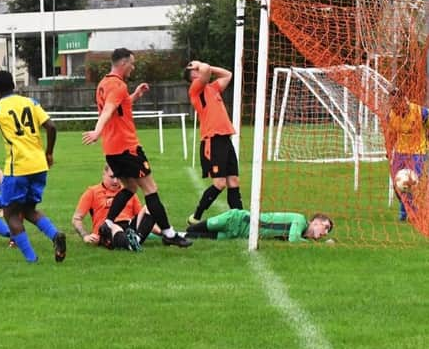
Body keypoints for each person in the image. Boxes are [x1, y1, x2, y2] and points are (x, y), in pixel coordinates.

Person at [82, 47, 191, 248]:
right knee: (150, 189)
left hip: (112, 150)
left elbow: (118, 108)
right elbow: (108, 110)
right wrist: (97, 131)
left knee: (130, 187)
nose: (133, 67)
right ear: (123, 64)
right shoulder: (117, 85)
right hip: (127, 148)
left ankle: (107, 222)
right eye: (132, 63)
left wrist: (135, 95)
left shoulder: (104, 84)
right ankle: (169, 233)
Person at [0, 70, 66, 263]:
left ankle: (31, 259)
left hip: (17, 168)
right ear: (13, 84)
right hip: (39, 165)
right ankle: (55, 235)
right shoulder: (31, 102)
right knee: (28, 210)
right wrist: (49, 152)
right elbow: (51, 127)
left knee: (10, 213)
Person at [183, 60, 243, 225]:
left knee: (233, 181)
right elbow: (206, 69)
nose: (199, 70)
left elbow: (228, 74)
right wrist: (198, 64)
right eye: (195, 70)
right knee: (219, 183)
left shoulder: (213, 88)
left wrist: (200, 65)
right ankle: (196, 216)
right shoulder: (196, 89)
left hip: (225, 138)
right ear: (193, 76)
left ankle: (239, 217)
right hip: (213, 140)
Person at [72, 163, 159, 251]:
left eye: (118, 177)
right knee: (113, 226)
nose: (115, 181)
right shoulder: (92, 192)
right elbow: (76, 218)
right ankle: (129, 243)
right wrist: (85, 236)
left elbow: (143, 219)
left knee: (151, 206)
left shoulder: (129, 191)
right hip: (107, 230)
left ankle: (135, 240)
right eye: (112, 177)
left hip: (129, 227)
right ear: (104, 174)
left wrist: (162, 232)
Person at [387, 88, 429, 221]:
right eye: (392, 104)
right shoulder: (391, 115)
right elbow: (391, 135)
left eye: (396, 103)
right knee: (397, 184)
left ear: (404, 101)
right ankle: (408, 211)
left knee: (410, 183)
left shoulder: (420, 112)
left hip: (418, 152)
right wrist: (388, 150)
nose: (394, 107)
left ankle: (408, 214)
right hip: (400, 151)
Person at [185, 209, 333, 242]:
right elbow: (293, 239)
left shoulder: (301, 235)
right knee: (192, 229)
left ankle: (169, 238)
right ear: (315, 222)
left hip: (239, 234)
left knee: (194, 237)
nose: (325, 233)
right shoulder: (299, 220)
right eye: (325, 227)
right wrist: (318, 245)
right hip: (237, 218)